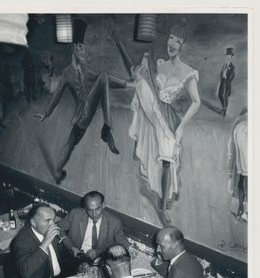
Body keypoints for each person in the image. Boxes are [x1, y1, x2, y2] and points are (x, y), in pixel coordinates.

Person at [116, 22, 200, 223]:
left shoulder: (188, 72)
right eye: (171, 38)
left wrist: (180, 128)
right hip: (151, 107)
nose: (172, 43)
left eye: (178, 41)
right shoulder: (161, 64)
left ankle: (163, 207)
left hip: (167, 119)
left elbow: (197, 102)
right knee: (140, 82)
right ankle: (139, 136)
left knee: (166, 162)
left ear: (182, 46)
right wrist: (144, 64)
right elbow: (147, 83)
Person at [35, 19, 128, 184]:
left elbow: (103, 81)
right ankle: (106, 129)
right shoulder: (67, 74)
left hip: (87, 112)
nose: (83, 51)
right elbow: (56, 95)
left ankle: (57, 172)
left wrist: (124, 84)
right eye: (80, 47)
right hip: (82, 115)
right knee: (71, 143)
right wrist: (46, 113)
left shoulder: (85, 69)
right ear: (74, 49)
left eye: (83, 48)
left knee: (71, 143)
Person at [11, 203, 69, 278]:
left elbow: (64, 255)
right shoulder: (22, 241)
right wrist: (45, 242)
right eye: (47, 221)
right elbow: (25, 271)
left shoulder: (53, 230)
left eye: (54, 219)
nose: (53, 225)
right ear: (33, 222)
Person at [58, 191, 129, 264]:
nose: (94, 214)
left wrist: (99, 252)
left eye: (97, 209)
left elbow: (123, 244)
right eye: (89, 210)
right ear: (85, 207)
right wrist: (71, 247)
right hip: (73, 257)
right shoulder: (75, 214)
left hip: (99, 260)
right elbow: (58, 228)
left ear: (103, 205)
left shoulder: (114, 222)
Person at [228, 107, 247, 221]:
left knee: (243, 175)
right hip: (245, 131)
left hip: (240, 129)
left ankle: (241, 207)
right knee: (247, 176)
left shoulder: (239, 123)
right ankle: (244, 209)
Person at [218, 47, 235, 117]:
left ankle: (225, 110)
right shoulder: (225, 65)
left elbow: (233, 75)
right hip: (223, 81)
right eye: (227, 56)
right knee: (219, 95)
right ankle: (225, 107)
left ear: (231, 57)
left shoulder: (232, 66)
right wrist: (222, 77)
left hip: (227, 82)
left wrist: (228, 80)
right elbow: (221, 72)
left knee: (225, 96)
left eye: (229, 56)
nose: (228, 57)